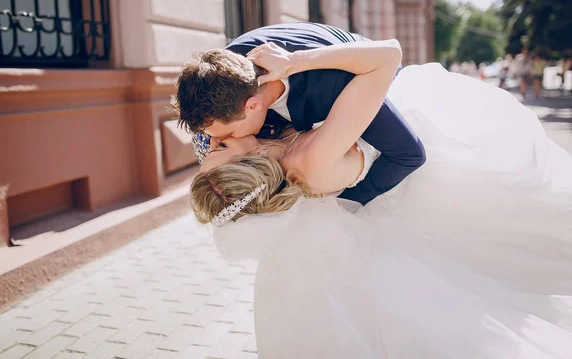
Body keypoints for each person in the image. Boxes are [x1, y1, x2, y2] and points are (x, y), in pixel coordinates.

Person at [181, 39, 572, 358]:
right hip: (406, 179)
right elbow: (387, 59)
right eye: (216, 150)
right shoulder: (308, 160)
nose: (210, 142)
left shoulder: (273, 150)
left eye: (212, 145)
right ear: (247, 164)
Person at [175, 22, 426, 206]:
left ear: (252, 106)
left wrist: (345, 206)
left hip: (379, 81)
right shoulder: (225, 74)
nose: (212, 142)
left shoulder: (331, 85)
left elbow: (408, 154)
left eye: (225, 135)